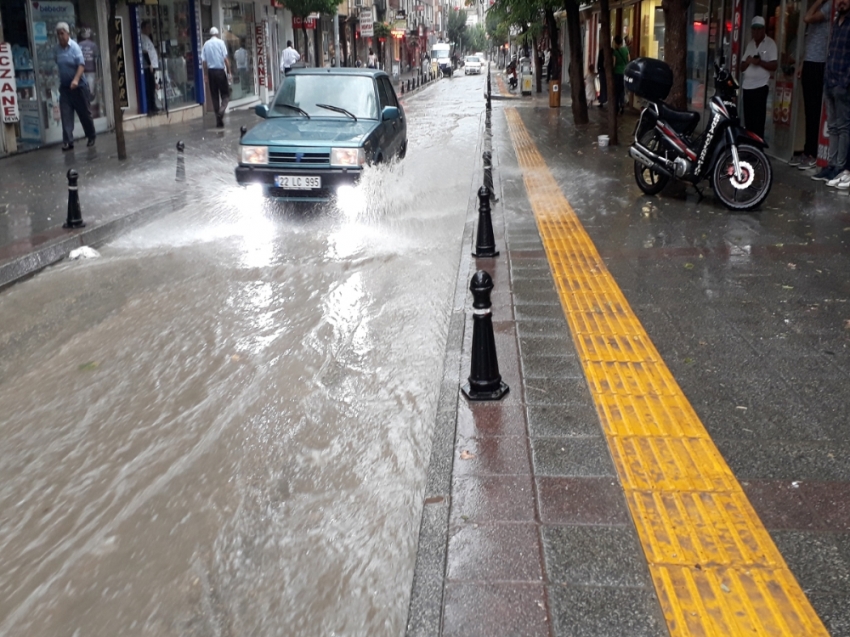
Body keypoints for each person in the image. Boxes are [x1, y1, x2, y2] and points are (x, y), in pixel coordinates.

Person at [791, 0, 832, 170]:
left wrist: (818, 2)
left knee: (815, 109)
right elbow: (810, 39)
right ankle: (808, 149)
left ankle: (813, 153)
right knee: (809, 110)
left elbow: (807, 18)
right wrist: (802, 63)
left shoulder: (829, 6)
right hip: (810, 62)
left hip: (820, 63)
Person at [813, 0, 850, 185]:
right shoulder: (837, 21)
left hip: (842, 84)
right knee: (834, 126)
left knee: (843, 127)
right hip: (830, 81)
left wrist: (845, 81)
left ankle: (839, 167)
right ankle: (831, 165)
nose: (842, 2)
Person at [54, 21, 95, 150]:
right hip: (65, 88)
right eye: (58, 34)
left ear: (68, 34)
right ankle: (68, 141)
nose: (60, 36)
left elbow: (81, 65)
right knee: (66, 114)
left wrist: (76, 80)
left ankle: (91, 136)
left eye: (62, 33)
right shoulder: (56, 50)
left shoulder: (75, 47)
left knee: (84, 113)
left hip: (79, 87)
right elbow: (58, 63)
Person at [741, 16, 778, 140]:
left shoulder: (770, 43)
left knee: (758, 121)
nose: (756, 32)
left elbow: (774, 65)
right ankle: (749, 148)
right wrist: (747, 62)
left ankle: (757, 150)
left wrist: (759, 62)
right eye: (754, 29)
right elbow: (741, 67)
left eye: (758, 29)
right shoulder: (750, 44)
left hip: (760, 87)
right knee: (749, 121)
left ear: (763, 30)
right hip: (747, 87)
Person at [201, 27, 231, 128]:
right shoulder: (221, 43)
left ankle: (218, 120)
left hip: (211, 72)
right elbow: (225, 59)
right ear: (217, 34)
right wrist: (229, 72)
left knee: (214, 96)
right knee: (225, 95)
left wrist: (205, 75)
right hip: (220, 72)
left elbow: (204, 62)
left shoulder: (205, 44)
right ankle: (221, 111)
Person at [140, 21, 159, 115]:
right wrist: (149, 64)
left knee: (153, 86)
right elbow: (144, 51)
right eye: (147, 27)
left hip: (152, 65)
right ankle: (150, 107)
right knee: (150, 87)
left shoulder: (147, 37)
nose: (149, 29)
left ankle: (153, 105)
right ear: (143, 28)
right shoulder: (142, 37)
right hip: (148, 66)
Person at [77, 28, 98, 102]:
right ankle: (91, 97)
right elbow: (96, 57)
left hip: (82, 68)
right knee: (91, 85)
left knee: (83, 84)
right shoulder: (93, 45)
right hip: (91, 69)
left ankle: (84, 97)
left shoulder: (79, 45)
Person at [612, 35, 629, 115]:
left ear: (616, 43)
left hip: (617, 73)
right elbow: (629, 60)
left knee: (616, 91)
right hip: (624, 73)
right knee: (622, 90)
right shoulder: (626, 50)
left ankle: (616, 107)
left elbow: (614, 64)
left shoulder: (615, 52)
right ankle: (622, 105)